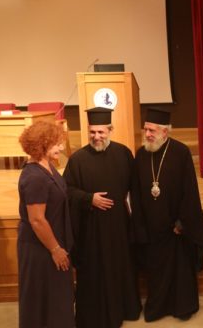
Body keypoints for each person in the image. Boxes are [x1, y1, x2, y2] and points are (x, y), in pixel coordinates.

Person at [63, 107, 141, 328]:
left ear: (110, 130)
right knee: (95, 269)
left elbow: (136, 186)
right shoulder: (78, 159)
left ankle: (124, 309)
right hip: (91, 226)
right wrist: (89, 199)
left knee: (120, 266)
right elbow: (67, 190)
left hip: (118, 223)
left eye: (101, 132)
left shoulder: (123, 153)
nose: (96, 136)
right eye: (92, 132)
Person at [130, 109, 203, 322]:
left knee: (180, 270)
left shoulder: (180, 152)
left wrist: (182, 222)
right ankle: (158, 308)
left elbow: (189, 190)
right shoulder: (141, 154)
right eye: (146, 129)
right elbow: (135, 192)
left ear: (165, 131)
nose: (147, 134)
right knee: (156, 272)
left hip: (175, 228)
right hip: (151, 228)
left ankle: (183, 307)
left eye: (152, 130)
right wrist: (140, 223)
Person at [17, 121, 74, 327]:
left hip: (51, 242)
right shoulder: (35, 178)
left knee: (57, 299)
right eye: (57, 144)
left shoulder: (48, 166)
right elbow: (37, 220)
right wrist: (55, 249)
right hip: (41, 248)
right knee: (43, 301)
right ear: (42, 145)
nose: (61, 147)